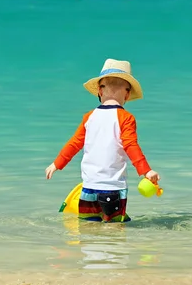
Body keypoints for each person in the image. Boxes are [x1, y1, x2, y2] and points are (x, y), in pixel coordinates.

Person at [45, 58, 160, 223]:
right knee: (114, 230)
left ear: (99, 91)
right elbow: (130, 146)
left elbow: (74, 144)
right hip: (112, 190)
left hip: (88, 189)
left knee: (88, 228)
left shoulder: (89, 117)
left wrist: (56, 164)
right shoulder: (125, 118)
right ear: (127, 94)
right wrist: (146, 171)